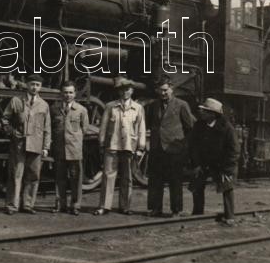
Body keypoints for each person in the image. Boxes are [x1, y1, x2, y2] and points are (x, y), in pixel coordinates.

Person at [94, 76, 146, 216]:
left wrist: (141, 148)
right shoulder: (110, 106)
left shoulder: (138, 108)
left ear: (132, 91)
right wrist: (101, 143)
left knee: (127, 177)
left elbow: (141, 129)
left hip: (129, 146)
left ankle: (125, 206)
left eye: (127, 89)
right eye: (122, 89)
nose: (125, 92)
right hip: (112, 145)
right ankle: (104, 206)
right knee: (108, 176)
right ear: (118, 91)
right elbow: (103, 127)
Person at [145, 77, 195, 217]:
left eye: (165, 90)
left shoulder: (181, 105)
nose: (163, 93)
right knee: (155, 180)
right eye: (160, 90)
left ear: (172, 89)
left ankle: (176, 209)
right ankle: (156, 208)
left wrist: (184, 145)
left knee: (175, 180)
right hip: (157, 148)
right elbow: (150, 125)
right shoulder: (153, 105)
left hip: (175, 148)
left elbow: (190, 127)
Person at [2, 73, 51, 215]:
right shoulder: (16, 101)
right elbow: (5, 119)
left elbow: (47, 128)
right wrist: (12, 133)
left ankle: (28, 205)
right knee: (15, 175)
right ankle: (12, 206)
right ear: (27, 85)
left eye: (37, 85)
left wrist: (46, 147)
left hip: (36, 144)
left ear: (40, 87)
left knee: (33, 175)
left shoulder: (44, 105)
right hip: (19, 144)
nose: (34, 87)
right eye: (32, 84)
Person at [188, 98, 240, 226]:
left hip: (223, 164)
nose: (201, 113)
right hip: (204, 162)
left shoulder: (227, 128)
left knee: (227, 185)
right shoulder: (199, 125)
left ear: (213, 114)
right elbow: (193, 146)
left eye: (205, 111)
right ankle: (197, 213)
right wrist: (196, 164)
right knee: (197, 182)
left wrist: (227, 170)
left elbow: (234, 151)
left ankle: (230, 215)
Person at [50, 81, 89, 215]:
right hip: (59, 149)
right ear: (61, 93)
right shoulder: (54, 109)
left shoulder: (81, 110)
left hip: (74, 150)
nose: (68, 95)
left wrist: (74, 140)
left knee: (75, 179)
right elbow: (51, 127)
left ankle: (75, 205)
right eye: (65, 92)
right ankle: (60, 204)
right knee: (59, 178)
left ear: (75, 94)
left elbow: (84, 129)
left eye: (71, 92)